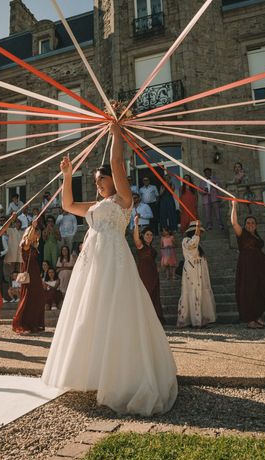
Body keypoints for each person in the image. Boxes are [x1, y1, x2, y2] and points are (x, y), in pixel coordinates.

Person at [43, 123, 178, 416]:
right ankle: (94, 373)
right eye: (95, 181)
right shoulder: (96, 204)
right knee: (91, 313)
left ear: (114, 180)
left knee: (117, 311)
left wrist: (116, 131)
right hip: (92, 263)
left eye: (100, 179)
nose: (98, 184)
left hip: (114, 261)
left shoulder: (124, 200)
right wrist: (67, 176)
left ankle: (123, 376)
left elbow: (117, 161)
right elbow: (67, 204)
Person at [230, 201, 265, 329]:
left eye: (253, 223)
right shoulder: (242, 234)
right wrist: (234, 206)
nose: (250, 225)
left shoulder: (257, 236)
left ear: (256, 226)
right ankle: (250, 319)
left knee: (258, 290)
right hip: (246, 266)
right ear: (245, 225)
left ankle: (257, 315)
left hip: (258, 266)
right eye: (248, 223)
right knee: (248, 291)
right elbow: (234, 223)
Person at [177, 221, 216, 328]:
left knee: (201, 292)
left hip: (200, 270)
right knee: (193, 291)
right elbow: (192, 244)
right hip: (191, 270)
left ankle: (202, 318)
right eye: (198, 231)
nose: (199, 234)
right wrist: (198, 229)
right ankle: (194, 320)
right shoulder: (186, 241)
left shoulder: (199, 245)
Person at [12, 221, 45, 335]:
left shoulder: (33, 246)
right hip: (29, 274)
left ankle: (34, 323)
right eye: (36, 233)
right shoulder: (25, 245)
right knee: (29, 298)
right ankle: (25, 324)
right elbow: (28, 239)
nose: (38, 235)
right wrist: (33, 227)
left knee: (38, 297)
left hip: (35, 273)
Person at [133, 215, 164, 322]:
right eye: (147, 234)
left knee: (154, 295)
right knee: (146, 294)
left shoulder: (151, 248)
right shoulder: (141, 246)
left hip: (153, 273)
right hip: (144, 273)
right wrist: (136, 224)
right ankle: (144, 318)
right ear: (143, 235)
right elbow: (136, 239)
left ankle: (153, 319)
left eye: (151, 235)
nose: (149, 236)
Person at [4, 218, 23, 283]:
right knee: (11, 271)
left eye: (18, 222)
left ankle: (19, 284)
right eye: (16, 222)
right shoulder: (10, 230)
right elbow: (4, 228)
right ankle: (11, 284)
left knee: (20, 269)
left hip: (20, 252)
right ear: (14, 224)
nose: (17, 224)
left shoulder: (22, 231)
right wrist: (10, 220)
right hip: (12, 253)